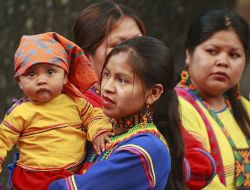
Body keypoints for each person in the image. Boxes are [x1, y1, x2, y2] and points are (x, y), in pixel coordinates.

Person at [73, 1, 216, 189]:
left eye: (139, 42)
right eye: (119, 45)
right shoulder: (71, 105)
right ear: (86, 57)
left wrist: (149, 166)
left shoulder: (150, 106)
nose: (131, 52)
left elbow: (204, 165)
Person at [49, 36, 187, 189]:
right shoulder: (103, 129)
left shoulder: (145, 149)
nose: (107, 87)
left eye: (122, 80)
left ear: (153, 93)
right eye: (107, 74)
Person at [0, 32, 113, 189]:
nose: (41, 80)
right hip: (32, 181)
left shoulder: (76, 101)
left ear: (65, 76)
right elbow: (2, 141)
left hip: (72, 177)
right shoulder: (19, 113)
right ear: (19, 81)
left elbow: (94, 115)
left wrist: (99, 131)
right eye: (31, 74)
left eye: (50, 72)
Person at [176, 9, 250, 189]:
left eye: (234, 55)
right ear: (189, 54)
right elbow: (201, 181)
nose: (223, 61)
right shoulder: (177, 107)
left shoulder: (246, 108)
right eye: (212, 51)